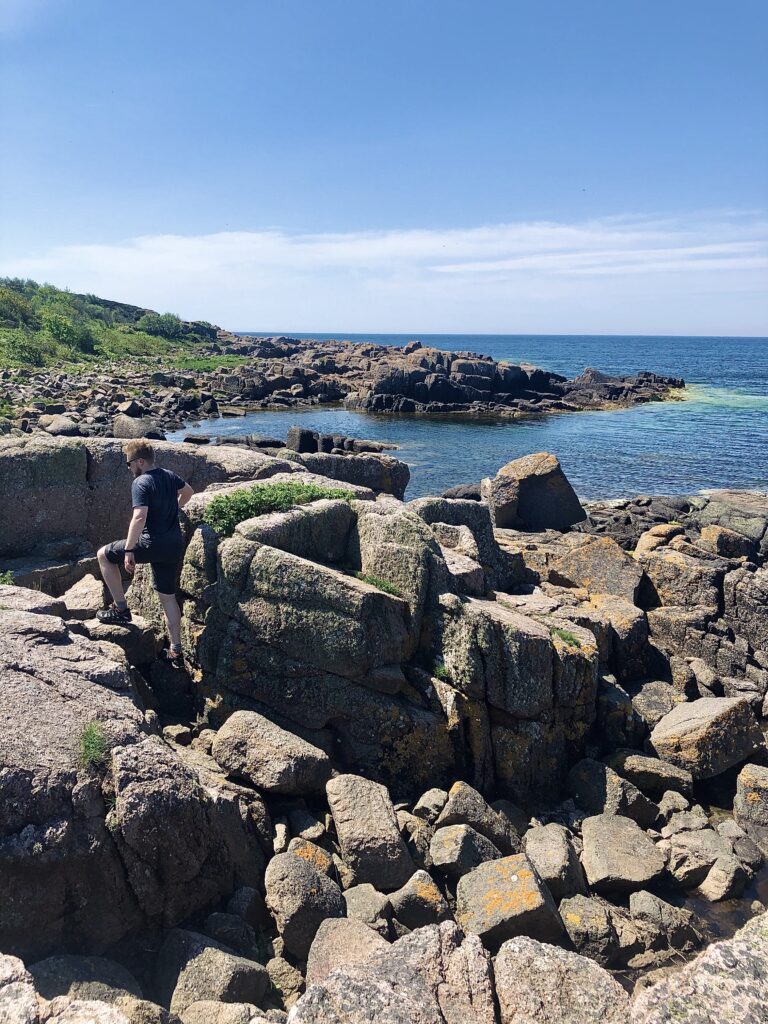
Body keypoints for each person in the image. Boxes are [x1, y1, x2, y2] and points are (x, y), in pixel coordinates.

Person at [96, 438, 194, 669]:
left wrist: (129, 549)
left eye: (129, 463)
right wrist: (174, 509)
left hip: (151, 545)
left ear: (140, 461)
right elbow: (188, 492)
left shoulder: (141, 482)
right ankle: (176, 652)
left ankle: (120, 608)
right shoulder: (169, 475)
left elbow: (139, 517)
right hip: (173, 545)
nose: (129, 468)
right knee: (168, 598)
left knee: (103, 555)